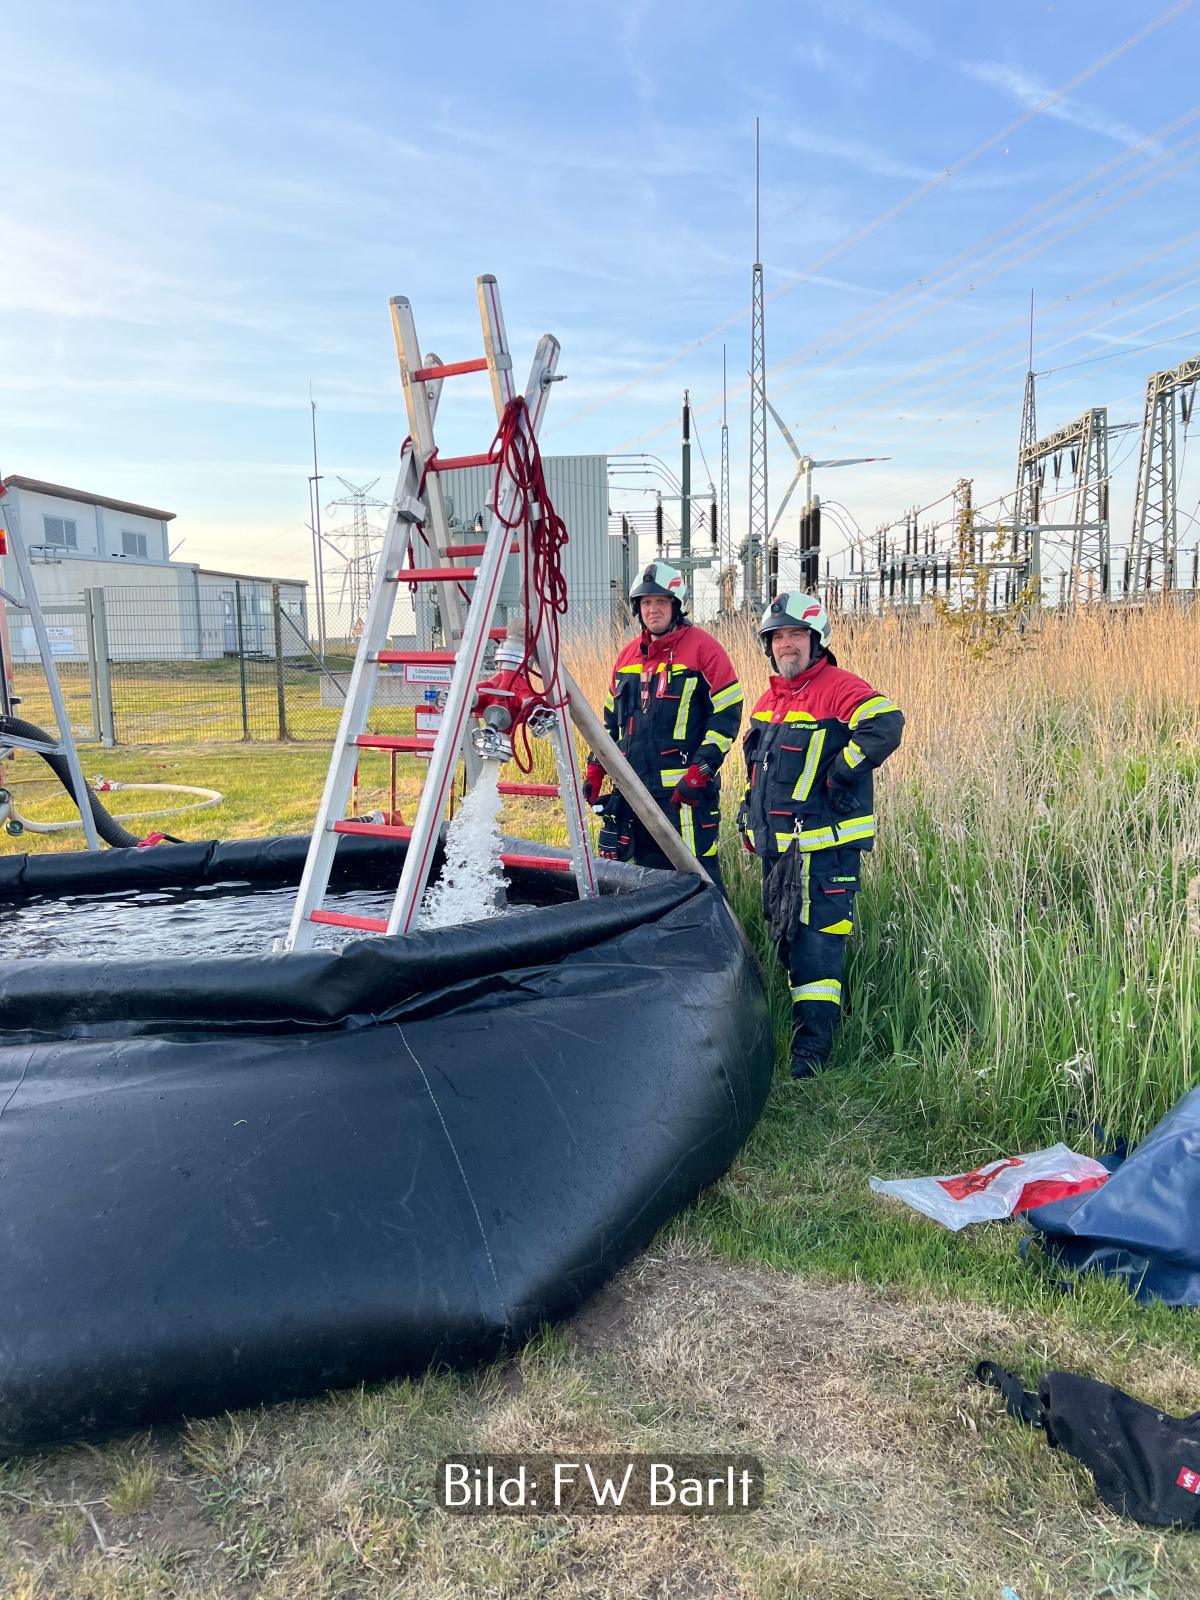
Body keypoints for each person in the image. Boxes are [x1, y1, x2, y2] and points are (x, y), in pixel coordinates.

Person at [739, 592, 904, 1079]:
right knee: (787, 941)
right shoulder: (771, 698)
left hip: (824, 853)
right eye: (778, 637)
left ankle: (812, 1055)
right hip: (781, 851)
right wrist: (751, 821)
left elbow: (886, 724)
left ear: (817, 641)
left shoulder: (838, 687)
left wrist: (842, 772)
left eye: (795, 635)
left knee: (817, 946)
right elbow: (760, 773)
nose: (786, 644)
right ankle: (803, 1030)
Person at [583, 561, 743, 891]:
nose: (652, 609)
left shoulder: (704, 649)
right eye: (646, 603)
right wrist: (595, 768)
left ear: (676, 605)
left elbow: (727, 715)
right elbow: (611, 724)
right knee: (647, 880)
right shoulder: (627, 656)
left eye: (660, 602)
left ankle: (714, 941)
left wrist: (702, 770)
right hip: (636, 793)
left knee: (699, 878)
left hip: (684, 797)